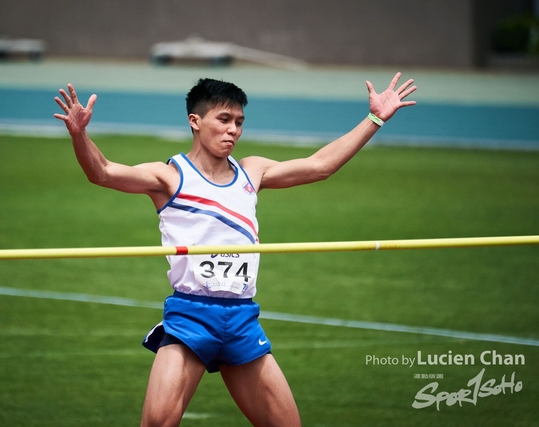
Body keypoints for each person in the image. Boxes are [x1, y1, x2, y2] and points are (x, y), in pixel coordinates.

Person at [54, 73, 416, 426]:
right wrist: (79, 134)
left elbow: (320, 167)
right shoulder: (169, 177)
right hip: (191, 318)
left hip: (242, 319)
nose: (233, 130)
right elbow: (101, 171)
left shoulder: (251, 172)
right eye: (224, 119)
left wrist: (374, 119)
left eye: (239, 122)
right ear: (195, 121)